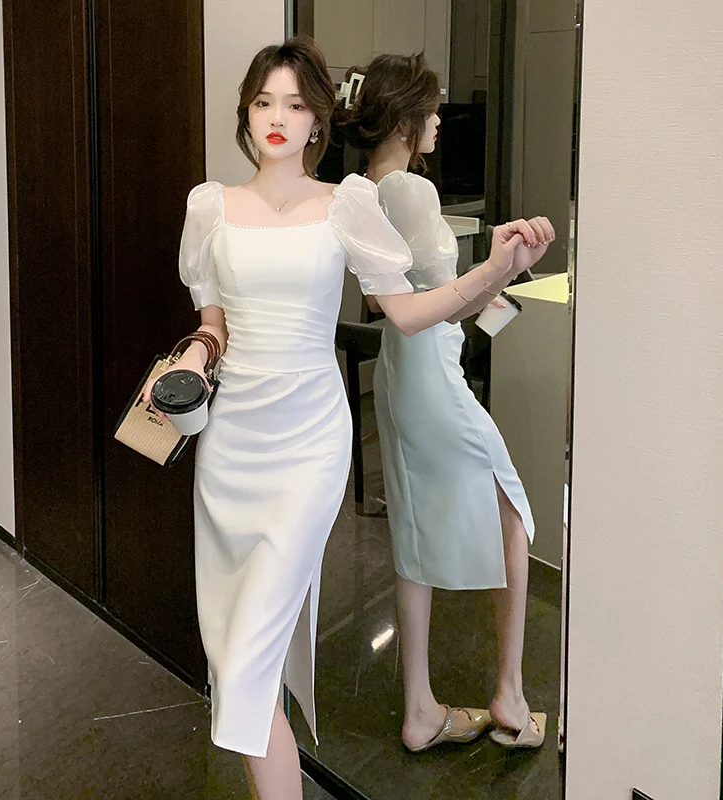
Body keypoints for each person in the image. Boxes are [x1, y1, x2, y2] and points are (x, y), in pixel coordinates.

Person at [143, 37, 540, 800]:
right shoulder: (210, 207)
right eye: (264, 102)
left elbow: (408, 311)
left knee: (247, 664)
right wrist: (195, 354)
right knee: (236, 658)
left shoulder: (346, 204)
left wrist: (494, 271)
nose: (278, 117)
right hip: (232, 446)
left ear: (318, 120)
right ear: (246, 114)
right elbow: (213, 323)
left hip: (310, 443)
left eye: (295, 104)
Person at [339, 53, 555, 752]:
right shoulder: (408, 189)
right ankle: (509, 695)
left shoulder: (370, 190)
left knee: (413, 533)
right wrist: (495, 269)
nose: (439, 120)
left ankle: (420, 709)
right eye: (431, 109)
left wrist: (499, 275)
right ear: (404, 116)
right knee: (511, 512)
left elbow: (430, 303)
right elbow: (420, 310)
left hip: (407, 376)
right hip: (431, 376)